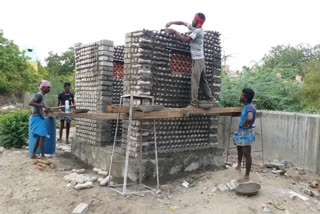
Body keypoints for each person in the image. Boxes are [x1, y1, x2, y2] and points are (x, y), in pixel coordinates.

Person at [165, 13, 215, 108]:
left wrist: (174, 32)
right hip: (200, 59)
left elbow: (184, 39)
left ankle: (194, 103)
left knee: (195, 80)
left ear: (198, 22)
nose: (192, 21)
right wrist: (171, 22)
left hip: (197, 59)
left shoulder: (198, 31)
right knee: (202, 80)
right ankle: (211, 98)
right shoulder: (194, 27)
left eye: (194, 20)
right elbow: (182, 23)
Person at [234, 88, 256, 182]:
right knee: (239, 149)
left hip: (247, 133)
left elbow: (250, 117)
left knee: (247, 153)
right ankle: (239, 165)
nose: (240, 96)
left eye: (242, 95)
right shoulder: (247, 106)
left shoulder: (250, 107)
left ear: (245, 98)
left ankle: (246, 176)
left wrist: (245, 123)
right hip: (242, 132)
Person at [29, 80, 51, 159]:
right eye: (48, 87)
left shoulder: (43, 96)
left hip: (39, 117)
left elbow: (39, 106)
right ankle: (42, 155)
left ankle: (33, 154)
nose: (49, 89)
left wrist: (45, 109)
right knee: (42, 136)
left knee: (39, 137)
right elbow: (31, 103)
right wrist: (43, 107)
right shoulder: (39, 95)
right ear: (43, 87)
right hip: (36, 117)